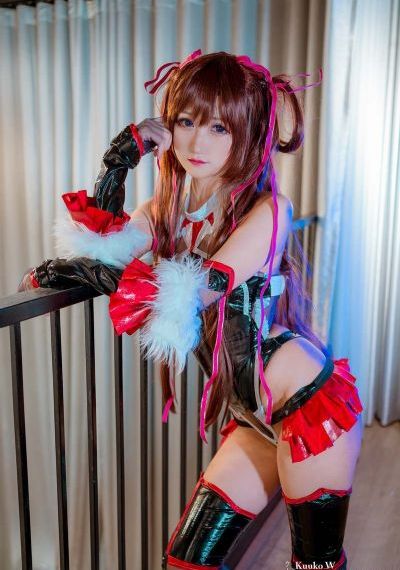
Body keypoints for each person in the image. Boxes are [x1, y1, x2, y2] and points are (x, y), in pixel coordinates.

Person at [19, 50, 364, 570]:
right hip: (252, 418)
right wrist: (120, 158)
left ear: (246, 134)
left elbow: (192, 293)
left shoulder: (269, 210)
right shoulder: (165, 209)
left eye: (219, 127)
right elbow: (101, 248)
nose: (198, 143)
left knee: (313, 565)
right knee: (187, 561)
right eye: (186, 121)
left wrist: (82, 274)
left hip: (308, 406)